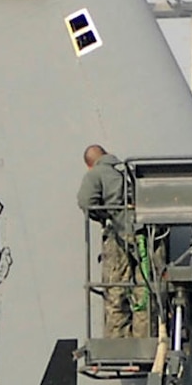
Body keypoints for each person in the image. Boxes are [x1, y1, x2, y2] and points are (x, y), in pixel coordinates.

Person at [78, 144, 140, 339]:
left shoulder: (96, 173)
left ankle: (118, 341)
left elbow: (86, 202)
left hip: (119, 237)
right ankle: (145, 339)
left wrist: (106, 216)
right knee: (144, 293)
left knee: (116, 290)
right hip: (146, 235)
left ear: (90, 164)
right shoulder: (127, 170)